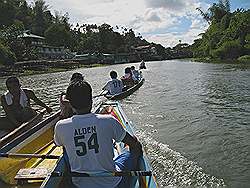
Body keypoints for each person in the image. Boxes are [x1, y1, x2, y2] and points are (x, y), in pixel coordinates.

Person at [54, 80, 143, 188]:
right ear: (91, 100)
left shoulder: (60, 126)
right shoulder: (109, 120)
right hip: (113, 184)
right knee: (133, 149)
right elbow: (133, 143)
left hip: (79, 185)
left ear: (70, 104)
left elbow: (58, 144)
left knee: (65, 150)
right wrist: (135, 143)